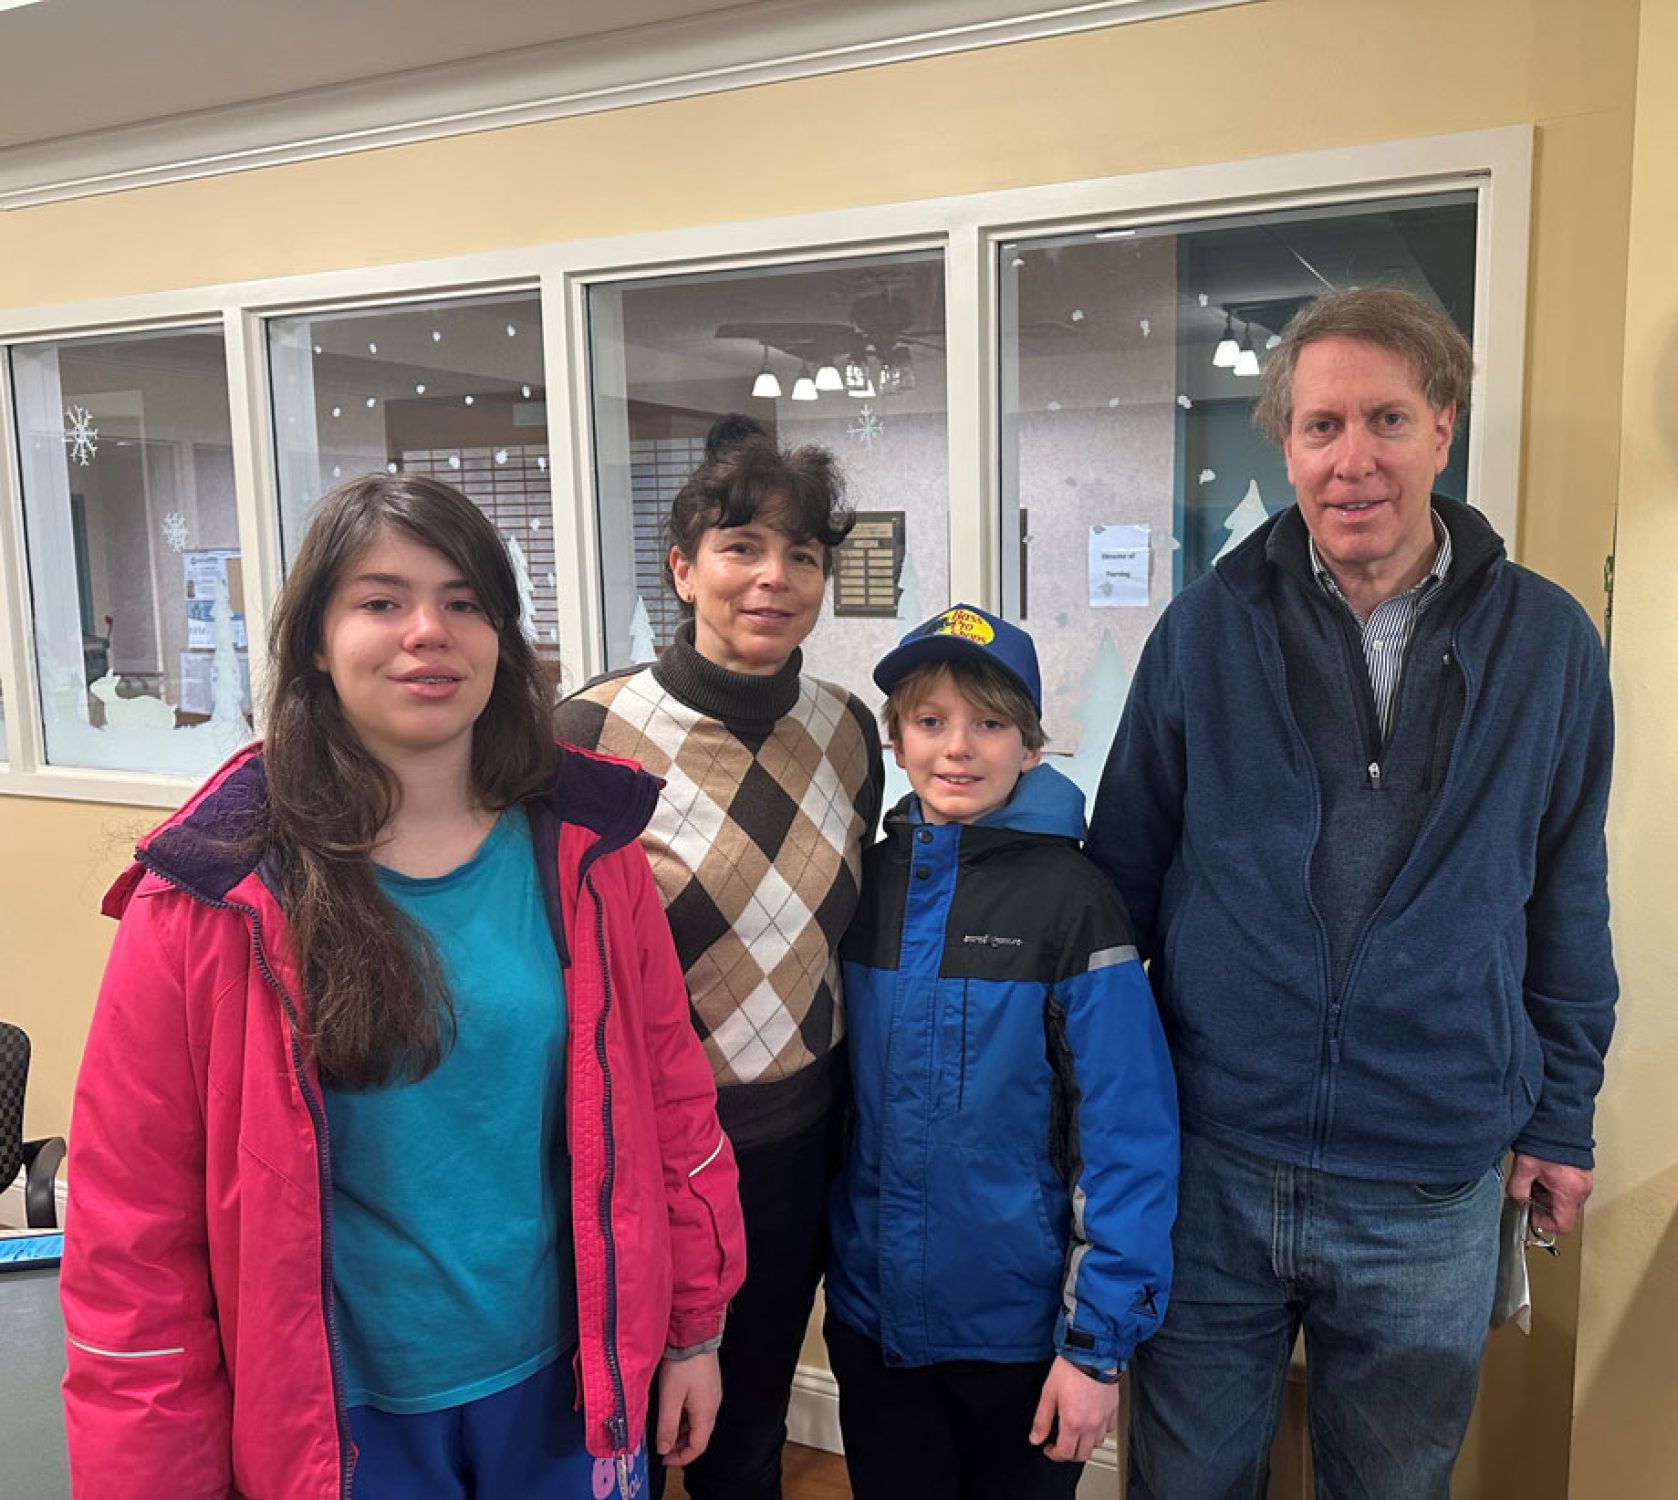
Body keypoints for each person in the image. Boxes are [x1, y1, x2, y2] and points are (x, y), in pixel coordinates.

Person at [60, 472, 747, 1499]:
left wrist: (691, 1330)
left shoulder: (589, 859)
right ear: (316, 644)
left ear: (502, 640)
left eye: (463, 601)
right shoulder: (207, 896)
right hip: (335, 1422)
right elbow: (133, 1244)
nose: (428, 630)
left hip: (564, 1391)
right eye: (381, 602)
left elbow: (671, 1107)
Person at [1086, 286, 1618, 1499]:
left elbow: (1565, 893)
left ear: (1442, 427)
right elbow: (1119, 885)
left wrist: (1560, 1116)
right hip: (1212, 1161)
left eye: (1385, 418)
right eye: (1320, 426)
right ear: (1284, 445)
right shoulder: (1201, 631)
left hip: (1428, 1175)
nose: (1352, 459)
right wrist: (1099, 1112)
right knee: (1182, 1482)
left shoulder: (1546, 643)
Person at [554, 417, 884, 1500]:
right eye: (742, 547)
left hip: (797, 1146)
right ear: (683, 567)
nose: (773, 579)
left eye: (802, 555)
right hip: (639, 1158)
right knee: (624, 1435)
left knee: (747, 1431)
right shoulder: (588, 735)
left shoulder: (846, 731)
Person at [824, 604, 1179, 1500]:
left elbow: (1128, 1136)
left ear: (1030, 746)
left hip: (1019, 1341)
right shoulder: (862, 889)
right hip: (874, 1328)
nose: (958, 747)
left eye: (989, 723)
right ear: (897, 741)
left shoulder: (1075, 904)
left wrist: (1096, 1350)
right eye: (930, 721)